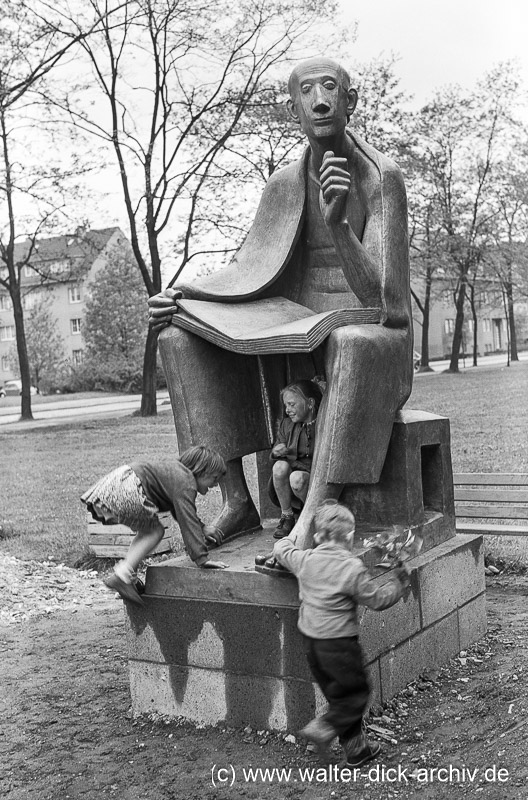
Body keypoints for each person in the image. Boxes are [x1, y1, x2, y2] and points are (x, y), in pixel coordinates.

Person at [148, 56, 413, 550]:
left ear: (349, 101)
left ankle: (316, 506)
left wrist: (339, 228)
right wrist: (184, 293)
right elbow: (249, 268)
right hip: (295, 319)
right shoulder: (284, 185)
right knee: (179, 336)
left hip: (374, 335)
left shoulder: (382, 179)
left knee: (350, 341)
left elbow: (388, 303)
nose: (320, 100)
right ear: (294, 109)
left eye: (331, 87)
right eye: (307, 91)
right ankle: (237, 501)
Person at [273, 501, 409, 767]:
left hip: (312, 644)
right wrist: (399, 583)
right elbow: (378, 600)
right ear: (348, 538)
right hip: (340, 645)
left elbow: (281, 549)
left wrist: (289, 539)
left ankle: (357, 750)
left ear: (318, 537)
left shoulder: (305, 559)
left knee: (339, 697)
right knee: (356, 694)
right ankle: (323, 728)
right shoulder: (351, 568)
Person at [81, 446, 228, 606]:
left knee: (147, 532)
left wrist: (203, 528)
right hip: (127, 488)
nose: (215, 485)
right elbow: (187, 519)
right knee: (155, 532)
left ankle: (127, 577)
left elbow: (179, 511)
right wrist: (201, 558)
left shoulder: (176, 473)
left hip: (116, 483)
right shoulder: (186, 482)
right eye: (214, 479)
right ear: (201, 471)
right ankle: (122, 577)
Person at [270, 379, 322, 539]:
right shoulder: (287, 425)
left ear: (310, 403)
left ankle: (314, 517)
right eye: (286, 405)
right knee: (279, 467)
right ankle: (287, 516)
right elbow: (277, 452)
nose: (288, 410)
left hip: (314, 476)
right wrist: (277, 452)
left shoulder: (323, 423)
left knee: (297, 478)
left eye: (292, 405)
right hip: (294, 472)